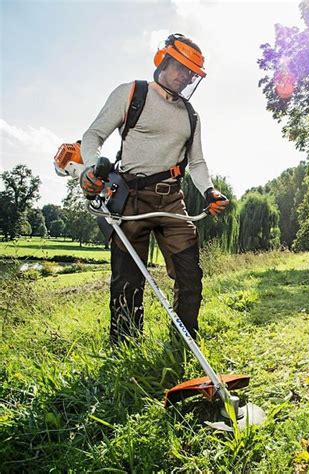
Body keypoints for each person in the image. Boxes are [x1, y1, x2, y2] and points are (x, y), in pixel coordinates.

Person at [79, 33, 229, 345]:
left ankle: (182, 344)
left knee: (190, 276)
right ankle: (126, 348)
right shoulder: (132, 93)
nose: (185, 77)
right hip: (130, 199)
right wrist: (92, 168)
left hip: (172, 201)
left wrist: (209, 191)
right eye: (181, 68)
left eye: (191, 73)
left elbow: (197, 162)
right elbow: (93, 136)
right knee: (128, 282)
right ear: (163, 60)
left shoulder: (191, 115)